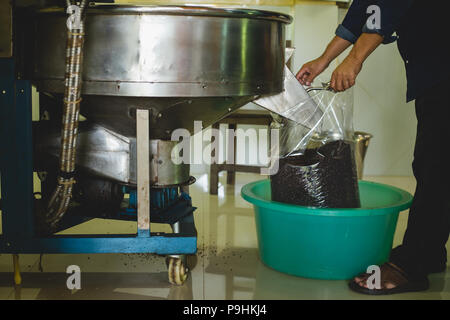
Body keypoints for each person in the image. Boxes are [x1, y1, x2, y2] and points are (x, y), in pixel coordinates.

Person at [296, 0, 449, 295]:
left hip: (443, 69)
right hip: (436, 72)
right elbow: (364, 12)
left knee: (436, 165)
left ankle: (413, 264)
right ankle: (429, 252)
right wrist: (323, 60)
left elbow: (387, 9)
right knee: (435, 163)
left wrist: (353, 60)